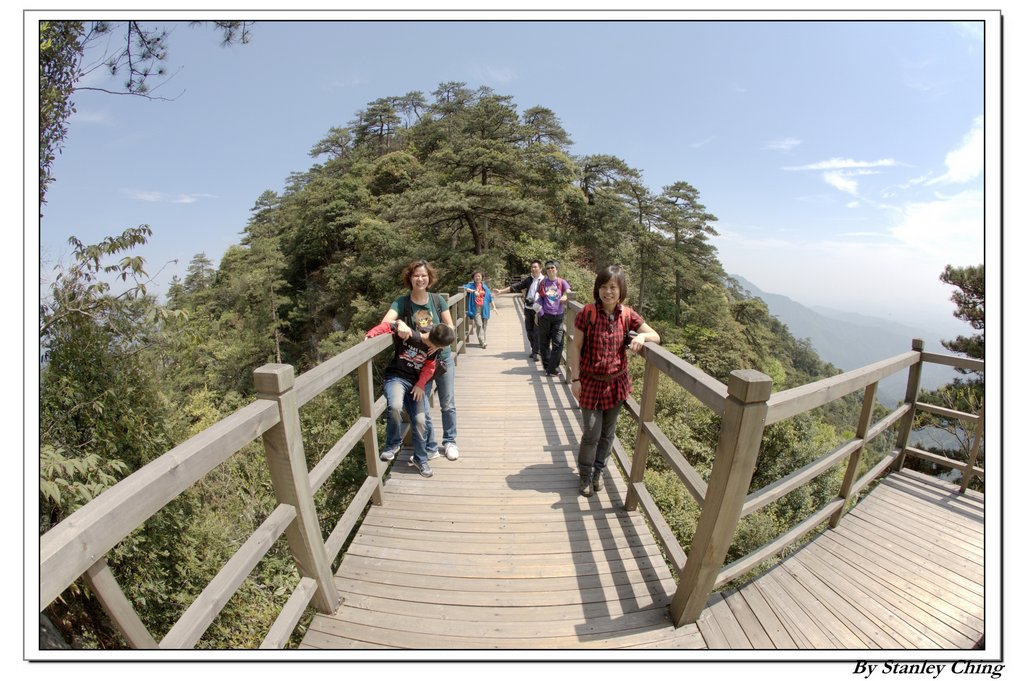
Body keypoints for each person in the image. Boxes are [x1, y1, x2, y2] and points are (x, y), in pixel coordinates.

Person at [568, 265, 660, 497]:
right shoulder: (587, 313)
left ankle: (598, 472)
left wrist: (641, 335)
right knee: (591, 433)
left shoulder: (627, 315)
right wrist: (575, 379)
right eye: (603, 286)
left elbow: (656, 336)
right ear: (597, 289)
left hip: (615, 384)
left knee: (608, 434)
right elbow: (576, 347)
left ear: (621, 290)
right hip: (590, 382)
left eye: (613, 287)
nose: (608, 292)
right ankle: (585, 475)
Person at [377, 259, 460, 462]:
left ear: (429, 278)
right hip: (420, 364)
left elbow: (450, 328)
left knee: (447, 403)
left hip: (443, 359)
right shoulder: (403, 302)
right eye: (416, 275)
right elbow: (385, 322)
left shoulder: (437, 300)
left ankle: (450, 441)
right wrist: (399, 323)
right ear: (410, 278)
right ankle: (430, 447)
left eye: (424, 275)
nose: (420, 279)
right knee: (422, 406)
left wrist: (437, 343)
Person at [365, 320, 456, 478]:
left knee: (421, 420)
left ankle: (421, 459)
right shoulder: (408, 335)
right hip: (396, 378)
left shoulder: (433, 349)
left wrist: (420, 384)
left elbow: (429, 367)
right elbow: (390, 325)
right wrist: (372, 334)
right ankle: (393, 444)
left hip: (416, 384)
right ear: (436, 343)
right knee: (395, 406)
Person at [496, 260, 544, 360]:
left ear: (540, 269)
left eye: (535, 267)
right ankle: (534, 349)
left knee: (537, 331)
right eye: (532, 267)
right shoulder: (529, 280)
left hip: (539, 309)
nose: (533, 269)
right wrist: (501, 291)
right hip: (528, 308)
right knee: (529, 331)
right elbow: (516, 286)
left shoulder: (545, 281)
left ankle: (537, 352)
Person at [535, 260, 572, 377]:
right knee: (544, 343)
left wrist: (565, 295)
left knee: (558, 344)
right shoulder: (542, 283)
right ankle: (548, 368)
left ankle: (551, 368)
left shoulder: (562, 282)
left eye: (552, 267)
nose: (550, 270)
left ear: (556, 269)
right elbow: (539, 298)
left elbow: (569, 291)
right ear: (546, 270)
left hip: (558, 316)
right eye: (548, 268)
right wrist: (538, 314)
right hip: (544, 316)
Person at [462, 270, 495, 349]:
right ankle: (482, 342)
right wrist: (473, 291)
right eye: (476, 276)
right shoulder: (471, 285)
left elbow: (489, 297)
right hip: (475, 308)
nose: (477, 277)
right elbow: (463, 287)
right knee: (479, 325)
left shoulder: (485, 286)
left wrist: (494, 307)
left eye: (479, 276)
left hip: (485, 308)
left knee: (484, 325)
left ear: (482, 277)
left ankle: (483, 340)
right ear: (473, 277)